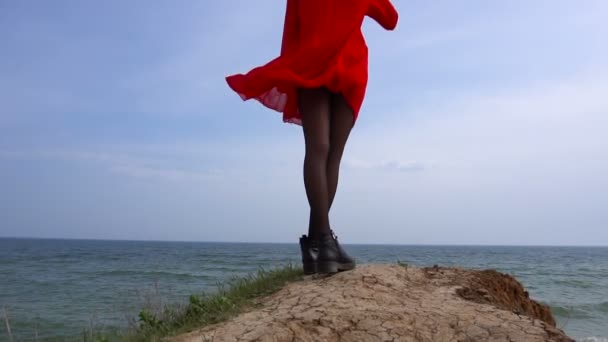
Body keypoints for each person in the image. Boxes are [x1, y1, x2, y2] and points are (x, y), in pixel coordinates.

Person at [225, 0, 398, 274]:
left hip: (309, 63)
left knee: (318, 150)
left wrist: (293, 67)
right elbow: (391, 19)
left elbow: (290, 33)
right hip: (350, 63)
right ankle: (322, 244)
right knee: (332, 156)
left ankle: (317, 246)